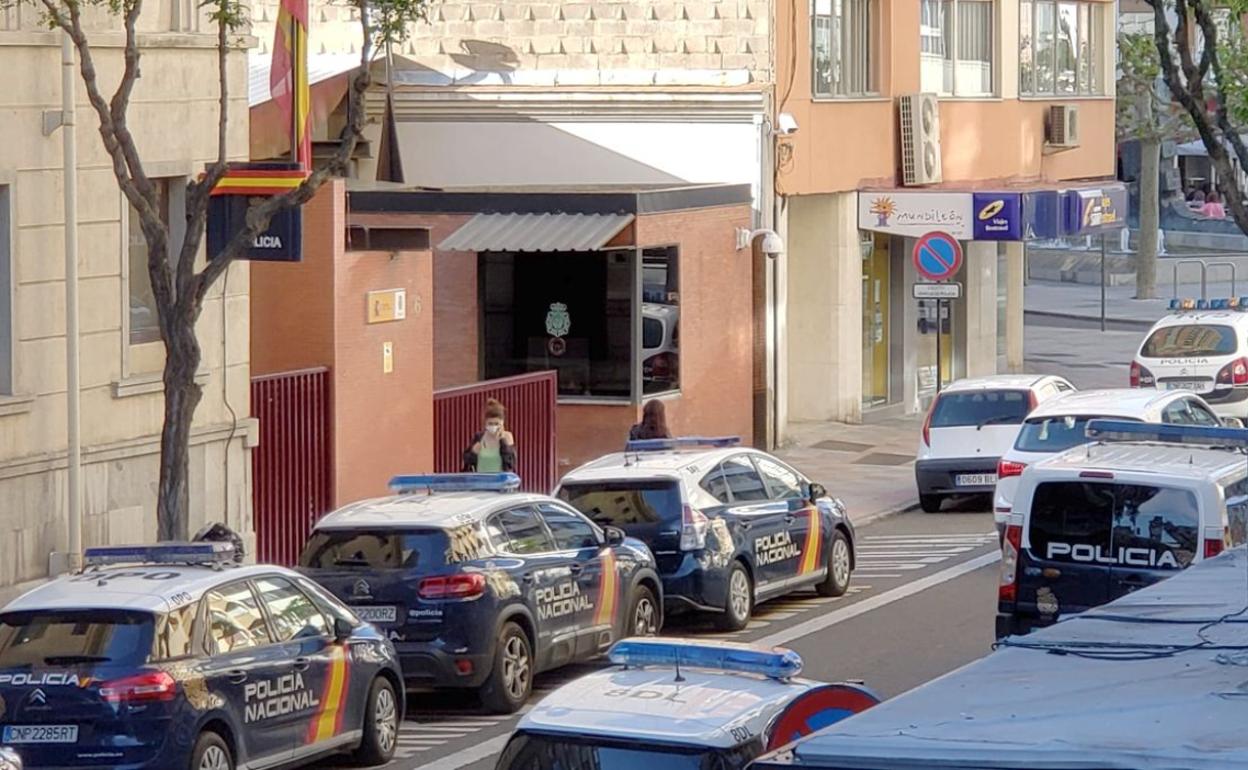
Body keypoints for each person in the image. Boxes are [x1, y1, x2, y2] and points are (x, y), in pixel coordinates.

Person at [463, 398, 516, 472]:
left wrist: (502, 442)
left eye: (496, 424)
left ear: (502, 423)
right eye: (490, 423)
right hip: (481, 480)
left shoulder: (507, 437)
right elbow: (467, 461)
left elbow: (510, 463)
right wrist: (473, 453)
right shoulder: (479, 437)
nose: (493, 426)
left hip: (499, 481)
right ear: (485, 423)